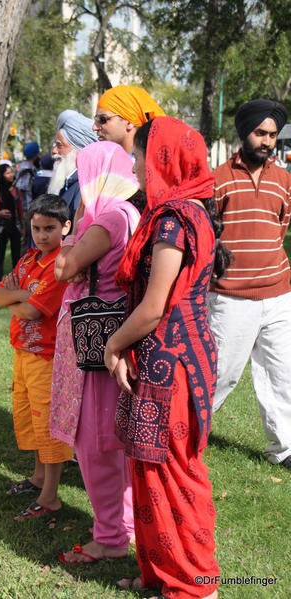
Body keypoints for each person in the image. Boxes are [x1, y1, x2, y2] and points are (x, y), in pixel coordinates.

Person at [104, 117, 230, 597]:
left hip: (170, 363)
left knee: (172, 473)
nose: (133, 164)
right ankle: (160, 573)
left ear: (163, 159)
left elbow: (154, 307)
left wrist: (114, 345)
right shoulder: (184, 210)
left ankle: (195, 585)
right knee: (150, 468)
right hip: (168, 357)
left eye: (138, 154)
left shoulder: (175, 219)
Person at [51, 141, 140, 563]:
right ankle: (124, 525)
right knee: (111, 440)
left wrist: (68, 243)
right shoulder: (125, 213)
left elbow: (63, 269)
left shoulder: (107, 218)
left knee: (97, 442)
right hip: (107, 335)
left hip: (97, 340)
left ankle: (110, 538)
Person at [209, 98, 291, 469]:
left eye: (272, 135)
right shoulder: (218, 179)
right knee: (220, 373)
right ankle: (189, 434)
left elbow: (280, 228)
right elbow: (210, 234)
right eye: (260, 133)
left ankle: (285, 449)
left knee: (281, 372)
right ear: (245, 133)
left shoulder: (284, 180)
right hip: (230, 297)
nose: (267, 141)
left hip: (278, 293)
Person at [0, 194, 73, 521]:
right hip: (23, 352)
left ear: (65, 226)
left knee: (48, 422)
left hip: (47, 356)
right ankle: (38, 477)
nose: (42, 235)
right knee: (29, 418)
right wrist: (21, 298)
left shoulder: (60, 264)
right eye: (36, 228)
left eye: (49, 228)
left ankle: (50, 495)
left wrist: (19, 300)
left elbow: (31, 312)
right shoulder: (29, 259)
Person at [48, 109, 97, 222]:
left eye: (59, 145)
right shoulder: (69, 183)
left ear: (79, 149)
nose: (54, 150)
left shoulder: (84, 189)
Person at [93, 84, 165, 154]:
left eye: (102, 119)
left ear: (129, 122)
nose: (94, 127)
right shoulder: (107, 162)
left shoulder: (146, 165)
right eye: (96, 119)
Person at [0, 163, 24, 284]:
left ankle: (17, 278)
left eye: (11, 172)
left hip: (15, 225)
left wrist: (23, 226)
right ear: (1, 175)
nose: (11, 175)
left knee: (16, 253)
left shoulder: (16, 191)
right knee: (0, 253)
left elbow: (20, 210)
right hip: (2, 226)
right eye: (7, 173)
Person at [16, 141, 40, 251]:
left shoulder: (20, 166)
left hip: (20, 208)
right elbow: (23, 189)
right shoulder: (28, 169)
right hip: (26, 208)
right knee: (25, 238)